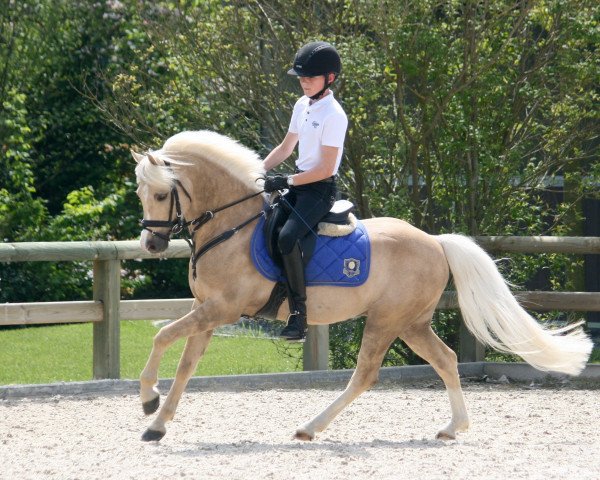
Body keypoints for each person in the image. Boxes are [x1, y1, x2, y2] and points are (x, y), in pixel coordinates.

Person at [262, 41, 348, 340]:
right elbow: (287, 147)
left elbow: (324, 170)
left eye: (310, 77)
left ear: (330, 78)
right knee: (265, 223)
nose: (304, 82)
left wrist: (285, 181)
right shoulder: (302, 105)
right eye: (301, 77)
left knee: (288, 237)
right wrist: (258, 171)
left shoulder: (334, 115)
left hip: (319, 191)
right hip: (299, 184)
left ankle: (299, 316)